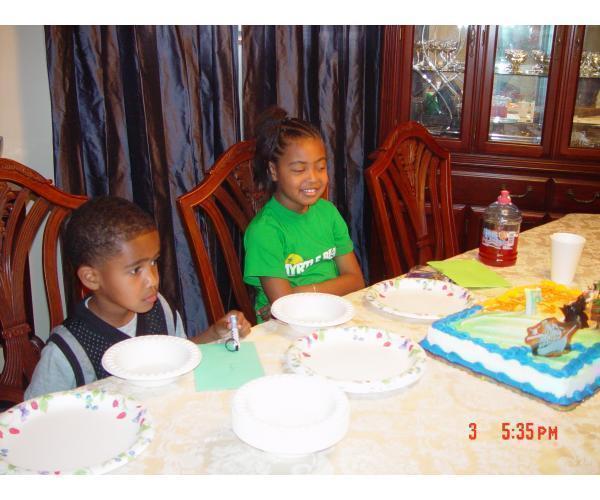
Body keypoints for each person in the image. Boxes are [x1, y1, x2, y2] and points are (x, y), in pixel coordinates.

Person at [25, 196, 251, 399]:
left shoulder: (159, 307)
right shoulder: (67, 350)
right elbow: (35, 416)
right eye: (135, 270)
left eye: (153, 262)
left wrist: (213, 334)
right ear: (91, 278)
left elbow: (178, 355)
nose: (152, 280)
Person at [243, 107, 365, 322]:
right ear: (274, 171)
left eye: (321, 167)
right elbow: (285, 307)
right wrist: (332, 288)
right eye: (299, 170)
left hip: (332, 316)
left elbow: (356, 281)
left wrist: (300, 291)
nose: (313, 178)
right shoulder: (264, 231)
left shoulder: (328, 213)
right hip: (285, 329)